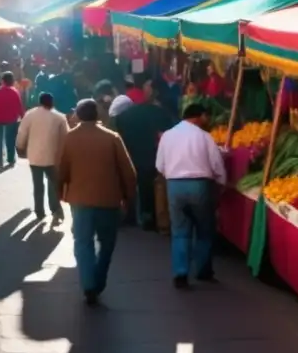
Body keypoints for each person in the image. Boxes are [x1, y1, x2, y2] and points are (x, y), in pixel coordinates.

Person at [57, 99, 137, 305]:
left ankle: (88, 283)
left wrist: (60, 193)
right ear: (98, 115)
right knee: (107, 243)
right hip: (109, 200)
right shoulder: (112, 138)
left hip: (80, 200)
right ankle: (98, 279)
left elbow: (61, 171)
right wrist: (128, 197)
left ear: (79, 115)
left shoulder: (70, 138)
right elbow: (129, 172)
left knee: (82, 243)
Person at [155, 104, 227, 289]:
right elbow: (217, 165)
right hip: (199, 186)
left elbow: (160, 165)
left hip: (174, 186)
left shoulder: (168, 135)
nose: (208, 121)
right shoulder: (204, 137)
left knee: (179, 231)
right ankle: (202, 271)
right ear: (200, 116)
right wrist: (221, 182)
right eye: (206, 117)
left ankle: (181, 273)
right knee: (204, 230)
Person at [115, 80, 176, 231]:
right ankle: (150, 217)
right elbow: (168, 135)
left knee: (131, 185)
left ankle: (130, 216)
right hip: (151, 155)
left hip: (130, 154)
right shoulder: (161, 114)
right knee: (149, 187)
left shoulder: (128, 114)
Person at [16, 92, 69, 223]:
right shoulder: (59, 117)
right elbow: (67, 136)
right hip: (53, 157)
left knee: (38, 185)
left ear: (39, 102)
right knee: (54, 184)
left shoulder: (30, 115)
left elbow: (22, 132)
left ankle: (39, 211)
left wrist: (20, 146)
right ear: (52, 102)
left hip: (34, 156)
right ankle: (55, 209)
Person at [0, 71, 25, 167]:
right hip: (11, 119)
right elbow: (19, 106)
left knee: (0, 140)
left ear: (3, 81)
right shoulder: (15, 92)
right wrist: (23, 117)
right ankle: (10, 158)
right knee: (11, 140)